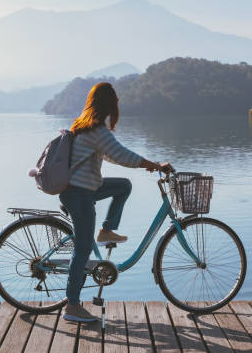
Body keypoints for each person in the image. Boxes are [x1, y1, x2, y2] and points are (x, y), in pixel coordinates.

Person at [60, 82, 170, 322]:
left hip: (85, 187)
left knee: (123, 185)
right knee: (82, 250)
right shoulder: (96, 128)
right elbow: (121, 154)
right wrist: (153, 165)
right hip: (79, 193)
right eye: (115, 101)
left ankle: (107, 230)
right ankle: (72, 306)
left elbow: (110, 154)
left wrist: (144, 164)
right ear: (109, 103)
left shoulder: (85, 126)